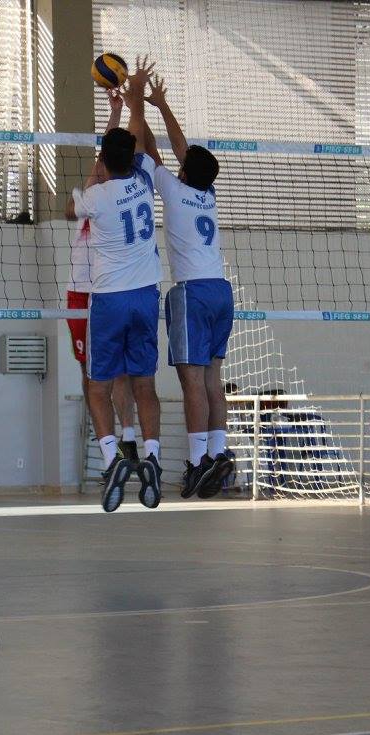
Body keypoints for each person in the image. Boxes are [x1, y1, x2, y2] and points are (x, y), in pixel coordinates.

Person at [70, 57, 165, 512]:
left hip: (108, 299)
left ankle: (112, 459)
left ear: (104, 161)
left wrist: (118, 117)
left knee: (97, 385)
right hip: (147, 297)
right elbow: (138, 135)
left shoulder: (96, 197)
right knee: (144, 384)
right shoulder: (146, 181)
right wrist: (135, 100)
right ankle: (152, 460)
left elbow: (74, 209)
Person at [134, 70, 234, 498]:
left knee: (192, 381)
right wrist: (162, 105)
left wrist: (139, 100)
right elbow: (178, 149)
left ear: (184, 170)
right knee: (212, 379)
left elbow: (146, 148)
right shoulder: (207, 194)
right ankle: (218, 451)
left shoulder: (173, 191)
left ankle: (197, 463)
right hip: (221, 291)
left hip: (192, 292)